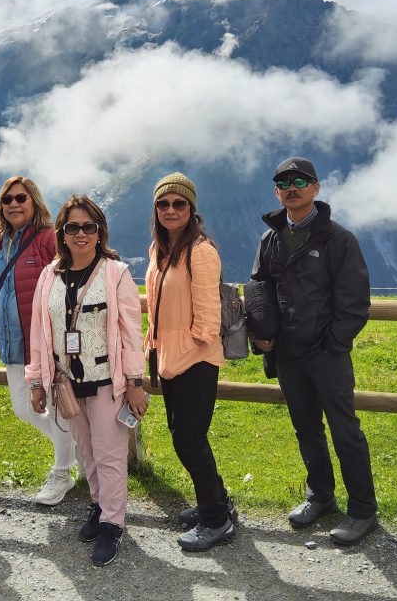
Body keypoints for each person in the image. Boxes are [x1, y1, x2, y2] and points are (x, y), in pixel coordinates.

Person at [250, 157, 377, 545]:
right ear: (276, 191)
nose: (292, 187)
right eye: (284, 182)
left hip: (327, 354)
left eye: (300, 181)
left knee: (345, 431)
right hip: (287, 354)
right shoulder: (269, 239)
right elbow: (259, 286)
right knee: (306, 428)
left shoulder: (339, 239)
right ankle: (319, 495)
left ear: (316, 188)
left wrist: (334, 344)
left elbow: (355, 301)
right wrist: (263, 333)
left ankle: (362, 508)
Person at [27, 195, 146, 567]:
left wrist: (136, 381)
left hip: (107, 382)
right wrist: (36, 381)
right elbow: (38, 332)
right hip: (66, 384)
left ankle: (113, 523)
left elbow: (130, 332)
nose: (81, 234)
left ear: (99, 232)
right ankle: (98, 505)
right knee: (86, 452)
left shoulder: (117, 274)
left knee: (110, 454)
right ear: (62, 233)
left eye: (88, 227)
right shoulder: (50, 275)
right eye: (73, 227)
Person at [0, 176, 78, 506]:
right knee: (23, 409)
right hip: (13, 341)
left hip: (47, 341)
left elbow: (67, 281)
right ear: (1, 206)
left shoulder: (47, 239)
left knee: (57, 408)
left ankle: (61, 473)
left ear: (34, 203)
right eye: (7, 199)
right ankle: (78, 450)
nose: (14, 204)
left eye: (21, 198)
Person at [144, 172, 236, 552]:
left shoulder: (200, 250)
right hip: (168, 357)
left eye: (179, 203)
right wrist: (154, 345)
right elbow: (156, 306)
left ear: (191, 208)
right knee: (183, 438)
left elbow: (208, 319)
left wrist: (187, 346)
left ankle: (216, 521)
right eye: (163, 203)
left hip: (195, 360)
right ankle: (217, 501)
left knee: (190, 440)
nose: (170, 209)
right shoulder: (160, 249)